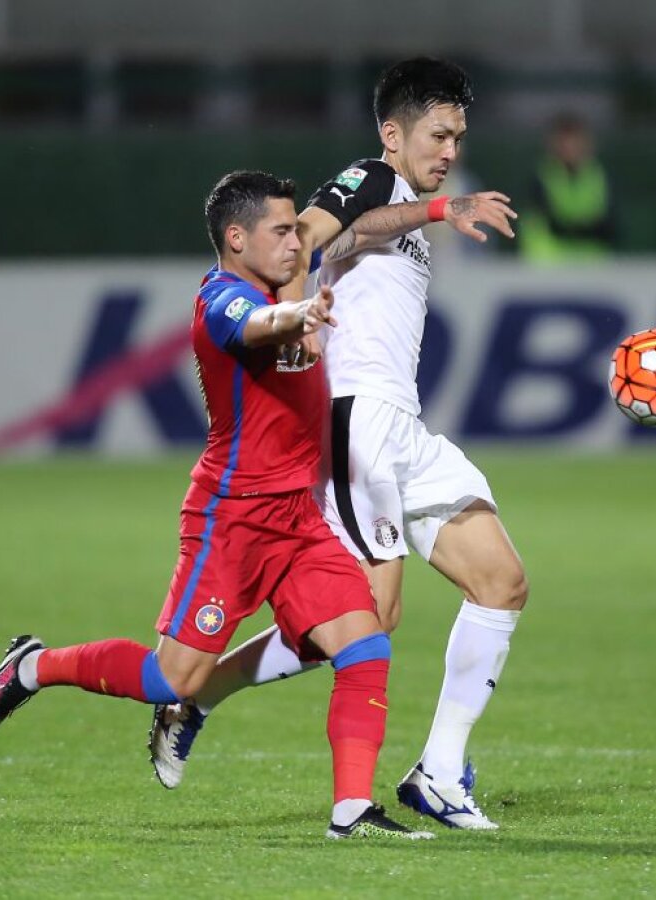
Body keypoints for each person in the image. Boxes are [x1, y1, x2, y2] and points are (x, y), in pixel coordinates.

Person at [0, 170, 431, 841]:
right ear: (236, 238)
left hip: (295, 519)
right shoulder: (222, 300)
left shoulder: (284, 277)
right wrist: (296, 315)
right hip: (231, 520)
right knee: (171, 679)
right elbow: (255, 326)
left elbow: (342, 211)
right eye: (279, 232)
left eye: (294, 230)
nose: (293, 242)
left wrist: (433, 206)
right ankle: (34, 666)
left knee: (365, 644)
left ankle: (352, 811)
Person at [150, 57, 526, 831]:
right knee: (369, 623)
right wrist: (293, 342)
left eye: (458, 135)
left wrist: (435, 212)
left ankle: (440, 772)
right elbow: (315, 238)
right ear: (393, 133)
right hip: (357, 423)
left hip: (403, 425)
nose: (450, 149)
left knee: (501, 581)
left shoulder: (401, 201)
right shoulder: (368, 176)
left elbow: (354, 236)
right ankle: (199, 697)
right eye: (437, 133)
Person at [519, 112, 617, 261]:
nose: (570, 147)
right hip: (549, 266)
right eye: (565, 140)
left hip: (592, 265)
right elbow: (550, 225)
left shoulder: (599, 176)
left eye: (575, 140)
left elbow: (610, 226)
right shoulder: (540, 177)